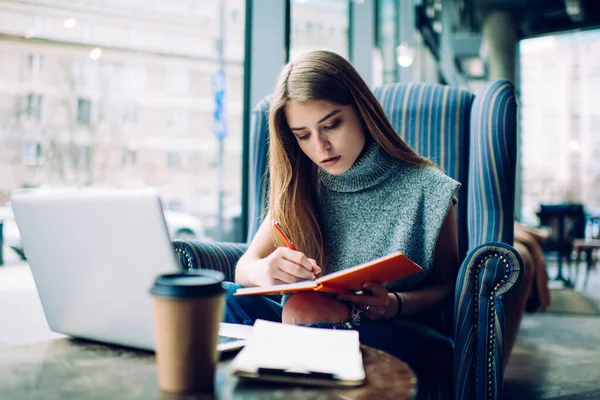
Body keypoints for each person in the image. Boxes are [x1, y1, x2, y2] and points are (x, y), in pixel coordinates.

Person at [223, 50, 460, 390]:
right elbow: (245, 267)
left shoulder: (428, 188)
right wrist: (265, 271)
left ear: (362, 111)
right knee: (215, 297)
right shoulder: (300, 184)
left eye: (331, 124)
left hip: (394, 332)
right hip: (302, 321)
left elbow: (447, 288)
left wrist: (393, 305)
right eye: (303, 135)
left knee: (305, 315)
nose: (320, 147)